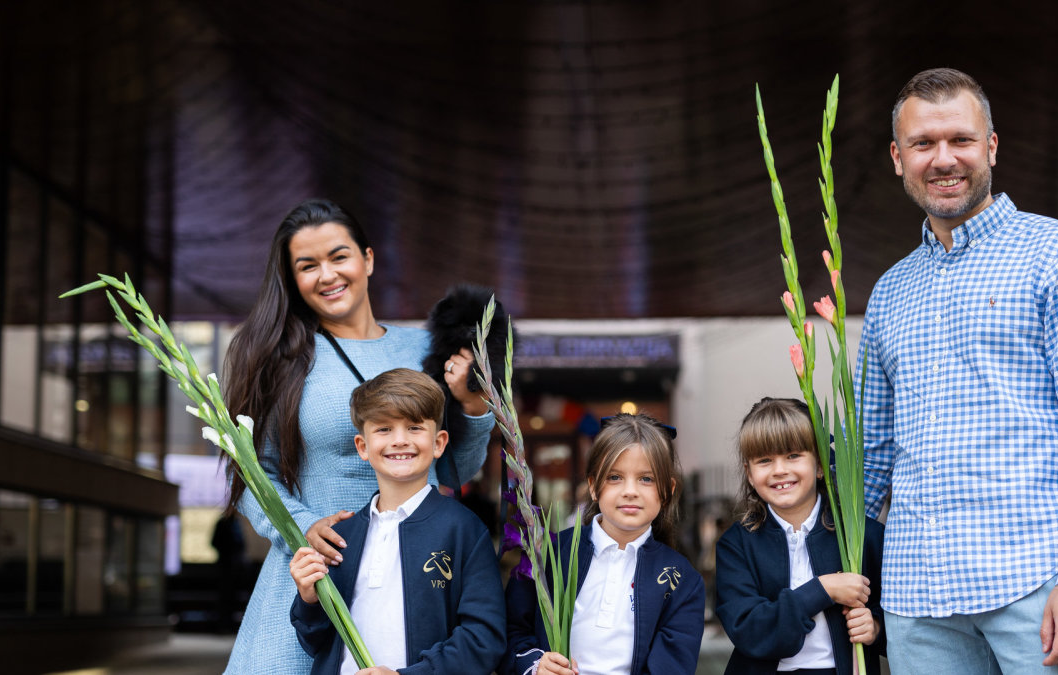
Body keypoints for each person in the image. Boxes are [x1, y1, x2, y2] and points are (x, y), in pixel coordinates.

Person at [858, 68, 1058, 672]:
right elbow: (870, 456)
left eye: (960, 139)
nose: (943, 159)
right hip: (918, 603)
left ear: (990, 145)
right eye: (923, 143)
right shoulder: (889, 292)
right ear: (897, 157)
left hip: (1037, 591)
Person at [221, 199, 495, 674]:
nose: (327, 275)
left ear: (367, 259)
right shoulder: (278, 358)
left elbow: (453, 467)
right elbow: (251, 471)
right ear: (293, 278)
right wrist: (303, 525)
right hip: (313, 570)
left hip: (412, 577)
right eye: (307, 266)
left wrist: (473, 407)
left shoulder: (425, 348)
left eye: (339, 256)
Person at [288, 368, 505, 675]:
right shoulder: (339, 537)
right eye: (384, 429)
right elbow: (315, 641)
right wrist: (308, 599)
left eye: (415, 427)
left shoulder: (464, 530)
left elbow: (483, 640)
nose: (400, 440)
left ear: (439, 443)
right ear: (362, 447)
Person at [501, 413, 705, 675]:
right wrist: (535, 665)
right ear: (594, 486)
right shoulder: (548, 554)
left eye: (647, 479)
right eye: (615, 477)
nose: (630, 490)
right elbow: (511, 631)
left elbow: (673, 665)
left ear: (668, 490)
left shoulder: (682, 579)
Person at [716, 397, 885, 675]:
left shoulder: (863, 536)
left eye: (793, 455)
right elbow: (750, 630)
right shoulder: (736, 545)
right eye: (765, 460)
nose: (780, 469)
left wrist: (875, 628)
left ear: (820, 465)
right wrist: (822, 590)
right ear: (749, 473)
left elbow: (901, 618)